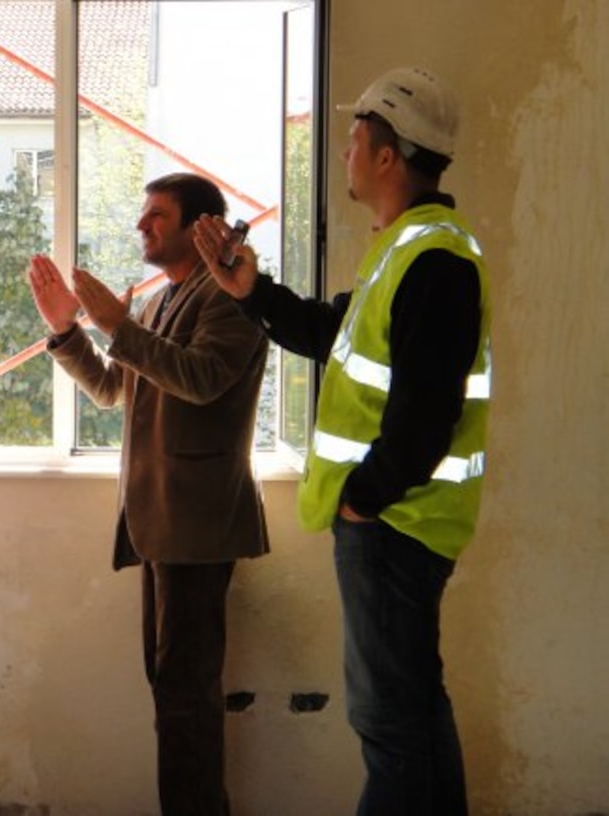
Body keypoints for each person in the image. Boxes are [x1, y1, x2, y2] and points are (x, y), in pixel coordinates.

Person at [194, 67, 491, 816]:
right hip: (396, 523)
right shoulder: (409, 250)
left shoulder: (434, 259)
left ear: (388, 155)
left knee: (390, 726)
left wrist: (365, 499)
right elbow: (334, 333)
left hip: (394, 525)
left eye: (356, 139)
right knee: (415, 712)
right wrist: (251, 293)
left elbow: (427, 413)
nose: (347, 154)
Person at [26, 172, 270, 816]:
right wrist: (67, 333)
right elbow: (116, 388)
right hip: (159, 523)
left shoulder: (228, 298)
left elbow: (200, 379)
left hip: (198, 525)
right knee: (171, 691)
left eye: (156, 215)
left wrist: (113, 322)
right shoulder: (166, 298)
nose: (141, 225)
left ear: (198, 227)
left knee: (186, 697)